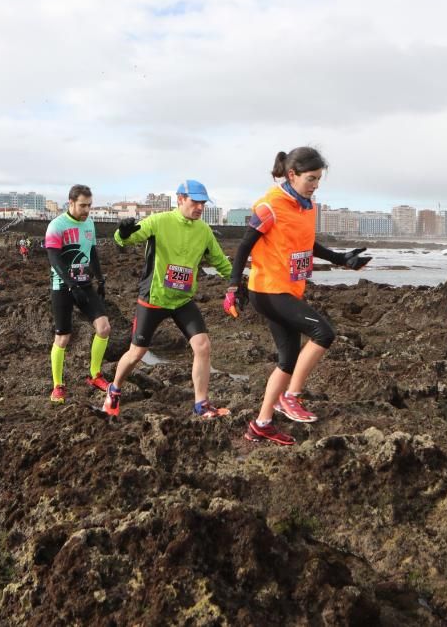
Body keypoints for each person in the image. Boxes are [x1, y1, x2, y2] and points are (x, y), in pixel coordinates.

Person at [226, 147, 372, 446]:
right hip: (267, 290)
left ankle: (261, 424)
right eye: (311, 179)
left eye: (319, 179)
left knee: (288, 359)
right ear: (292, 175)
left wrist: (341, 259)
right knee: (323, 332)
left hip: (288, 289)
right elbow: (243, 247)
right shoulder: (270, 206)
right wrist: (231, 287)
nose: (315, 185)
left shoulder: (306, 205)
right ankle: (291, 396)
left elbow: (307, 244)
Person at [100, 180, 233, 418]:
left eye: (203, 203)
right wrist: (123, 232)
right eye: (195, 202)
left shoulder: (203, 231)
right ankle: (115, 388)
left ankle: (201, 404)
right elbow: (125, 240)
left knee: (202, 346)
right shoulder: (159, 221)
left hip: (182, 300)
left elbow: (220, 262)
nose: (200, 208)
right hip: (154, 298)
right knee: (136, 354)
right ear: (180, 199)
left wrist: (241, 283)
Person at [44, 185, 111, 404]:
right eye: (82, 205)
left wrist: (100, 279)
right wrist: (71, 285)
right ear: (70, 203)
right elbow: (54, 260)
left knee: (104, 328)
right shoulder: (57, 225)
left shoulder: (89, 223)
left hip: (84, 283)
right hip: (62, 286)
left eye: (89, 205)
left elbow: (92, 253)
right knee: (63, 337)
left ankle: (95, 375)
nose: (87, 210)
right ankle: (58, 385)